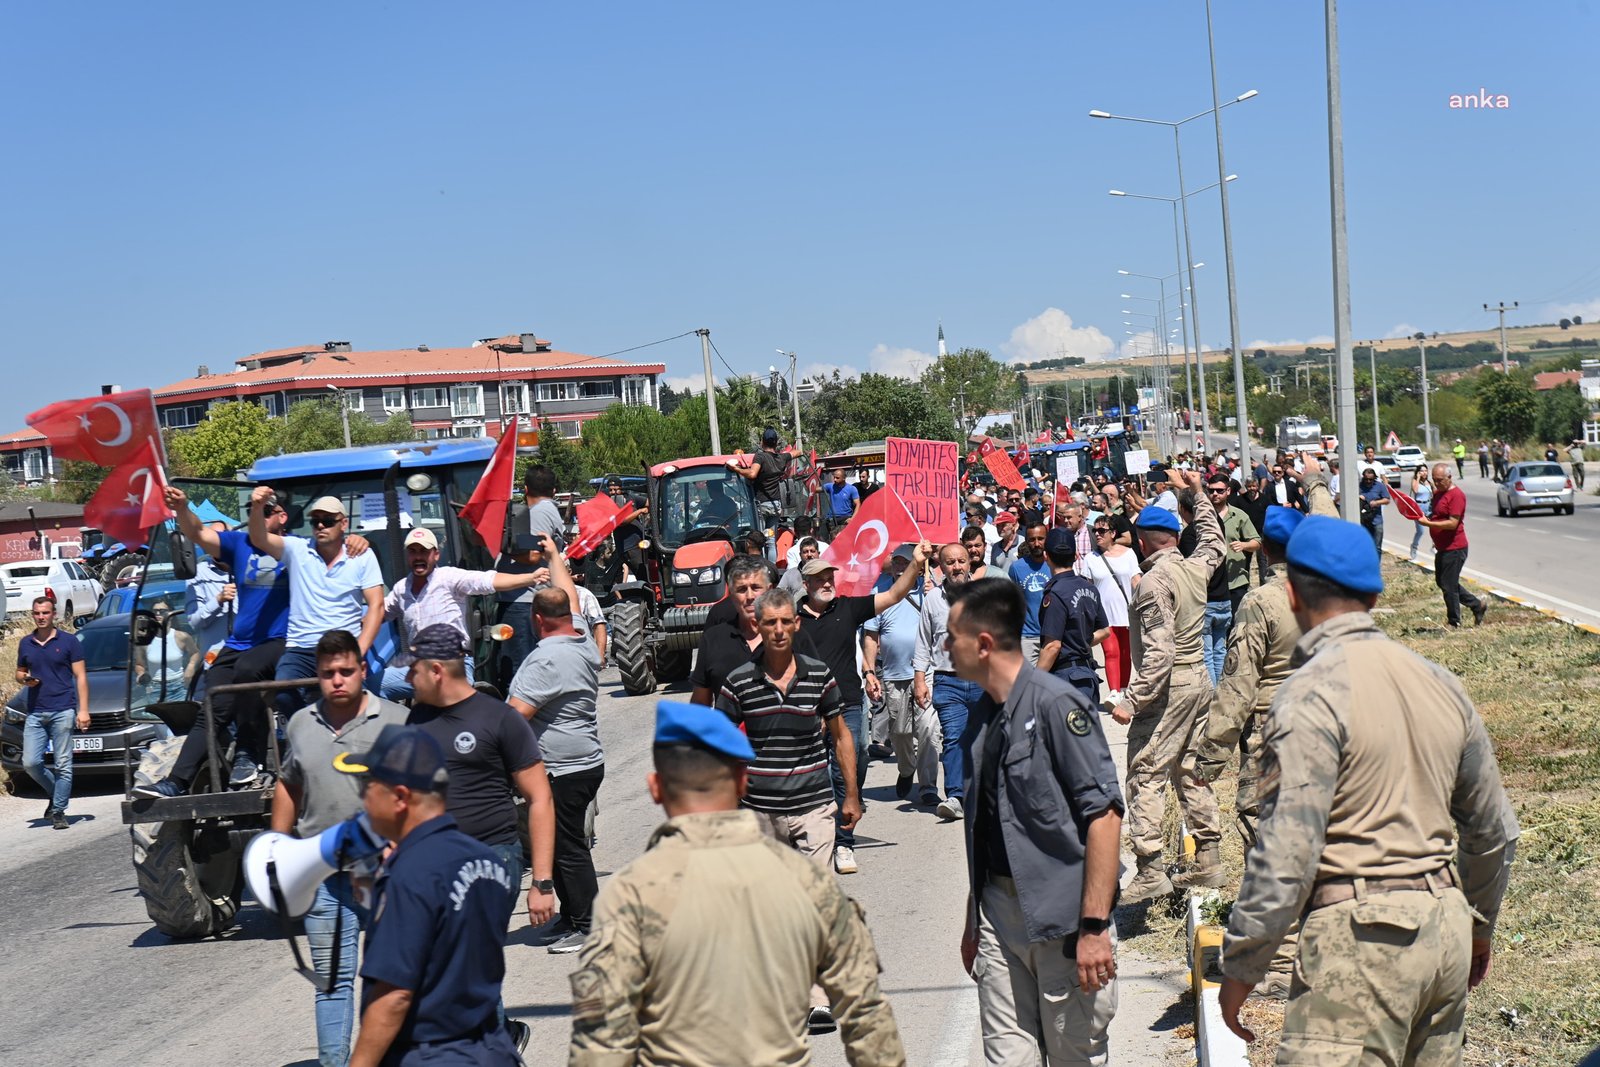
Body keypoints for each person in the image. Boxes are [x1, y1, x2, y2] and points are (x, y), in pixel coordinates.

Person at [1217, 517, 1518, 1061]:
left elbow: (1287, 850)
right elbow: (1493, 831)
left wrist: (1242, 965)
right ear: (1376, 594)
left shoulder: (1307, 696)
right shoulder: (1439, 682)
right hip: (1444, 926)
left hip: (1360, 939)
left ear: (1291, 593)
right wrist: (1476, 923)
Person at [567, 700, 906, 1066]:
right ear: (744, 780)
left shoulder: (628, 896)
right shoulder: (804, 881)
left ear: (655, 788)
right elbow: (867, 1015)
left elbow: (600, 1042)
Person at [951, 578, 1124, 1066]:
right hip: (998, 916)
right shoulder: (982, 716)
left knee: (1075, 1055)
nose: (946, 648)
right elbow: (986, 827)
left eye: (952, 637)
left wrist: (1093, 926)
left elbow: (1105, 816)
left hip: (1063, 919)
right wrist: (973, 919)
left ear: (983, 643)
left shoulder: (1057, 705)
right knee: (1008, 1058)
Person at [337, 726, 525, 1067]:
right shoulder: (483, 860)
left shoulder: (410, 874)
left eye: (368, 787)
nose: (362, 799)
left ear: (400, 797)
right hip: (490, 1049)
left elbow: (394, 994)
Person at [715, 586, 855, 1033]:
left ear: (797, 624)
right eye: (768, 622)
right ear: (757, 625)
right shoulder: (737, 683)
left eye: (785, 622)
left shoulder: (819, 676)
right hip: (759, 810)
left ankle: (817, 1000)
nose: (778, 630)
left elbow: (841, 736)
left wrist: (851, 794)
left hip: (814, 803)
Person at [271, 629, 409, 1066]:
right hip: (324, 876)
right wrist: (279, 847)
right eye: (328, 673)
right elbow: (289, 785)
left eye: (346, 671)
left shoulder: (394, 720)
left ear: (363, 671)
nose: (337, 680)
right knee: (331, 983)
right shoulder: (300, 724)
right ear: (317, 675)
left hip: (382, 872)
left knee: (398, 978)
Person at [1112, 471, 1227, 899]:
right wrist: (1196, 495)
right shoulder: (1195, 568)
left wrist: (1132, 700)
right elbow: (1214, 541)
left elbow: (1159, 655)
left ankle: (1150, 869)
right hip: (1199, 680)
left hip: (1169, 689)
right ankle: (1209, 859)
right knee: (1191, 769)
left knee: (1146, 773)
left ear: (1143, 540)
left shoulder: (1154, 583)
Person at [138, 486, 296, 796]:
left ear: (282, 517)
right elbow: (197, 532)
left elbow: (334, 552)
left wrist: (357, 542)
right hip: (239, 643)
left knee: (249, 670)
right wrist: (182, 507)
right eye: (255, 511)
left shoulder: (297, 549)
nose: (260, 516)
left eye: (266, 511)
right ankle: (177, 781)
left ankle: (248, 756)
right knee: (212, 704)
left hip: (281, 640)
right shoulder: (240, 544)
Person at [404, 623, 557, 928]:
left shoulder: (500, 718)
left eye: (413, 670)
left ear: (436, 671)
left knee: (465, 954)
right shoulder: (416, 720)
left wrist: (542, 883)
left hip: (491, 857)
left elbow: (539, 797)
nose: (408, 679)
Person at [797, 543, 931, 874]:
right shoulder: (791, 619)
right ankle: (825, 833)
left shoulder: (848, 608)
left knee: (853, 762)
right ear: (806, 585)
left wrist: (915, 565)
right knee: (813, 774)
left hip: (847, 702)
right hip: (806, 706)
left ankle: (844, 843)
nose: (827, 583)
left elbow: (894, 595)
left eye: (830, 577)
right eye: (819, 579)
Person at [506, 545, 604, 955]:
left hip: (564, 768)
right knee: (562, 843)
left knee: (566, 847)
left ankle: (589, 924)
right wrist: (551, 555)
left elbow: (512, 719)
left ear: (536, 619)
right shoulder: (581, 638)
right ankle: (571, 915)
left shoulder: (544, 660)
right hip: (584, 760)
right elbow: (570, 593)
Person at [248, 488, 385, 722]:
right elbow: (259, 538)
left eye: (328, 521)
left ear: (343, 524)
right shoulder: (296, 548)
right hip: (301, 646)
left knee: (359, 705)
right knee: (283, 693)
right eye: (316, 521)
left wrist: (358, 651)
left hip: (344, 646)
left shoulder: (363, 556)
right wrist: (258, 506)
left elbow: (377, 606)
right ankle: (311, 735)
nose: (321, 526)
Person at [377, 526, 546, 701]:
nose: (418, 556)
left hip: (453, 663)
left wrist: (530, 578)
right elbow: (378, 614)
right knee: (368, 686)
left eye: (424, 551)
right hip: (418, 666)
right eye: (413, 551)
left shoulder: (449, 578)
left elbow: (488, 580)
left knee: (451, 704)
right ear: (407, 556)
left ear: (436, 555)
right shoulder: (400, 589)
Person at [915, 543, 985, 823]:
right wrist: (920, 679)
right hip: (947, 681)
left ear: (970, 563)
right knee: (954, 738)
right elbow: (923, 641)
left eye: (961, 561)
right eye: (950, 562)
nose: (956, 567)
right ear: (940, 567)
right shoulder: (932, 599)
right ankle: (956, 796)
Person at [862, 546, 938, 805]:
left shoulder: (931, 589)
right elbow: (870, 635)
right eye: (896, 561)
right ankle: (907, 769)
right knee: (900, 733)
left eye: (906, 561)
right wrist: (869, 669)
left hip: (926, 672)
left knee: (927, 729)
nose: (899, 566)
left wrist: (934, 594)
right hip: (894, 674)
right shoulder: (880, 592)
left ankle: (928, 785)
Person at [16, 597, 88, 830]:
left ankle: (58, 811)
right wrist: (25, 679)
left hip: (63, 710)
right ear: (33, 615)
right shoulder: (26, 643)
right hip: (36, 712)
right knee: (31, 763)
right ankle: (56, 793)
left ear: (53, 614)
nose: (41, 617)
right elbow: (20, 672)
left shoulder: (68, 641)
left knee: (64, 763)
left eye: (45, 613)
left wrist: (83, 710)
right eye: (37, 613)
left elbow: (81, 677)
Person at [1035, 529, 1110, 706]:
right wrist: (1081, 640)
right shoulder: (1089, 588)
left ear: (1046, 556)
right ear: (1076, 555)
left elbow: (1052, 646)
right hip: (1085, 676)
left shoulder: (1055, 593)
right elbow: (1105, 631)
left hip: (1065, 679)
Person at [1203, 475, 1261, 684]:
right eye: (1211, 490)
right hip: (1210, 585)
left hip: (1236, 582)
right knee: (1214, 636)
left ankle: (1235, 673)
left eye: (1219, 490)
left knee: (1235, 630)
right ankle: (1218, 678)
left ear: (1228, 492)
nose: (1215, 494)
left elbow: (1256, 541)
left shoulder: (1239, 516)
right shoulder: (1203, 515)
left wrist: (1244, 546)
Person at [1416, 463, 1488, 629]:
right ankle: (1477, 605)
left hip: (1455, 547)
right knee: (1443, 582)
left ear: (1449, 478)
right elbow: (1437, 516)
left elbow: (1452, 523)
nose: (1437, 483)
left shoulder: (1456, 495)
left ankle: (1454, 621)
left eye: (1440, 480)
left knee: (1449, 585)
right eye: (1434, 480)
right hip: (1442, 547)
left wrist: (1428, 524)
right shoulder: (1437, 494)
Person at [1081, 517, 1138, 699]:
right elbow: (1087, 587)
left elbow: (1136, 580)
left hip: (1126, 611)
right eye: (1095, 531)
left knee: (1125, 653)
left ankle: (1122, 689)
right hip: (1103, 614)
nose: (1097, 534)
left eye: (1101, 531)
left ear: (1113, 534)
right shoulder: (1090, 558)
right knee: (1111, 652)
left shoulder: (1129, 553)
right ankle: (1114, 692)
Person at [1005, 523, 1051, 664]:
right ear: (1026, 541)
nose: (1036, 543)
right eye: (1032, 539)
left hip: (1052, 635)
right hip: (1027, 637)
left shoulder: (1055, 564)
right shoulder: (1016, 568)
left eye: (1040, 538)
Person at [727, 427, 793, 518]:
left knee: (760, 532)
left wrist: (736, 469)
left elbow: (752, 474)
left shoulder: (760, 457)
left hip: (762, 505)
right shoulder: (782, 457)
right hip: (776, 505)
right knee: (772, 532)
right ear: (776, 443)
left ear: (762, 442)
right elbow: (798, 452)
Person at [1356, 465, 1391, 554]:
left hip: (1377, 520)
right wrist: (1358, 498)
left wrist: (1377, 502)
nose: (1368, 481)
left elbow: (1387, 500)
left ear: (1374, 478)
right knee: (1365, 545)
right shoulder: (1359, 486)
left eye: (1370, 479)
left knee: (1377, 547)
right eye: (1366, 479)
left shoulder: (1380, 486)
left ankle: (1376, 566)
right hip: (1363, 520)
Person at [823, 467, 859, 537]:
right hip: (832, 519)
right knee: (833, 540)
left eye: (837, 478)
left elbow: (858, 504)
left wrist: (853, 519)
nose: (835, 480)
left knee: (844, 539)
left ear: (844, 478)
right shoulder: (830, 487)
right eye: (834, 477)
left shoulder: (852, 489)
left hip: (845, 519)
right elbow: (814, 489)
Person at [1409, 467, 1434, 562]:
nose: (1424, 472)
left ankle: (1434, 546)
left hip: (1429, 507)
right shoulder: (1415, 481)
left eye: (1425, 470)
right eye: (1421, 471)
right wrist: (1418, 478)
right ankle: (1414, 547)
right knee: (1420, 531)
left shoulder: (1429, 482)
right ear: (1418, 472)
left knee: (1434, 527)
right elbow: (1415, 490)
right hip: (1418, 508)